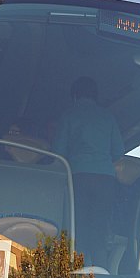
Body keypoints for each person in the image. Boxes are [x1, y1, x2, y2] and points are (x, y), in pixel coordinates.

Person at [52, 76, 124, 267]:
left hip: (78, 176)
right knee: (99, 229)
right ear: (95, 95)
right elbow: (118, 151)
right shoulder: (108, 117)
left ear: (74, 95)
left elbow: (58, 153)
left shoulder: (69, 115)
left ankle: (79, 275)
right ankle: (102, 274)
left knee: (78, 227)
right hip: (105, 179)